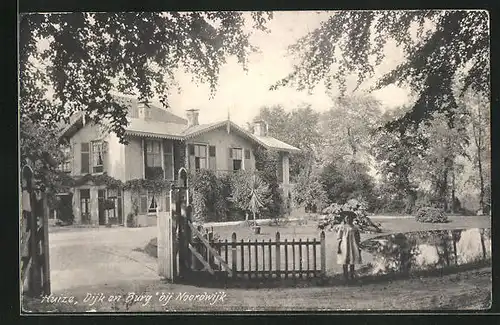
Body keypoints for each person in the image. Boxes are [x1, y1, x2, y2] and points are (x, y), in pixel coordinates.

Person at [336, 211, 362, 283]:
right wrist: (338, 247)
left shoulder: (355, 228)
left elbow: (357, 238)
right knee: (345, 260)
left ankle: (352, 276)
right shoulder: (342, 227)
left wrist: (359, 246)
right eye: (347, 218)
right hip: (344, 245)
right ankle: (345, 276)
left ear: (352, 219)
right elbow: (339, 238)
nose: (348, 219)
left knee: (352, 260)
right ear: (344, 219)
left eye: (350, 218)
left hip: (353, 245)